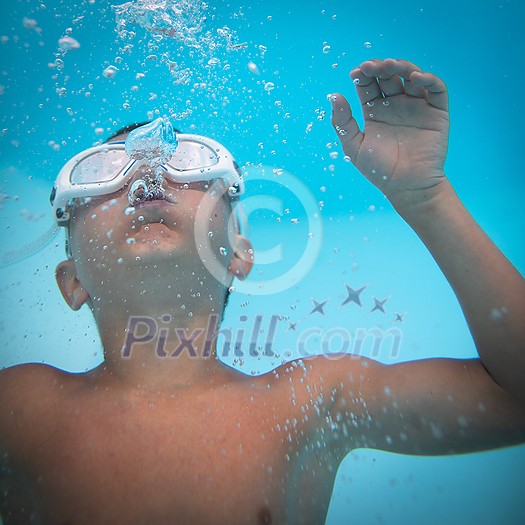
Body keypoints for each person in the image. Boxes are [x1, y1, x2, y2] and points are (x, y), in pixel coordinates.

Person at [1, 58, 524, 525]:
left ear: (238, 254)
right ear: (72, 282)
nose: (146, 179)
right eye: (101, 173)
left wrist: (426, 197)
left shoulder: (308, 401)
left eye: (188, 164)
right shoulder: (21, 410)